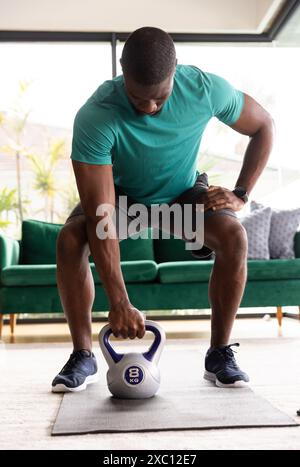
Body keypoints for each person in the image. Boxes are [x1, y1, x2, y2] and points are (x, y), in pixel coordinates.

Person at [52, 27, 275, 393]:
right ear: (123, 74)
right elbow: (101, 214)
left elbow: (264, 125)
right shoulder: (97, 114)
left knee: (234, 235)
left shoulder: (204, 88)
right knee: (70, 240)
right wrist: (120, 302)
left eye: (160, 98)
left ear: (175, 72)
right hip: (125, 199)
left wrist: (241, 193)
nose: (150, 108)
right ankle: (83, 355)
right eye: (140, 99)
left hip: (182, 197)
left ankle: (219, 353)